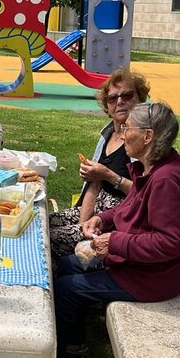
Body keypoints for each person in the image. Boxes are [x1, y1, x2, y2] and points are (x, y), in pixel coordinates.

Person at [54, 102, 180, 358]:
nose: (121, 133)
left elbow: (170, 242)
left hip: (152, 277)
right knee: (68, 265)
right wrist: (102, 219)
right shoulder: (151, 167)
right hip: (138, 264)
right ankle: (76, 341)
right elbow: (130, 206)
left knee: (67, 289)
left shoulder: (166, 179)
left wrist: (114, 243)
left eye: (127, 128)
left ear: (148, 136)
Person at [49, 67, 150, 261]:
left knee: (49, 239)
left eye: (127, 95)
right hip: (95, 212)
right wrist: (82, 224)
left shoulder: (143, 141)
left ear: (140, 99)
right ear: (107, 106)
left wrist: (109, 176)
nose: (119, 102)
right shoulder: (107, 134)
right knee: (41, 225)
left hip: (119, 221)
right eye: (112, 98)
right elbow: (94, 185)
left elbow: (146, 195)